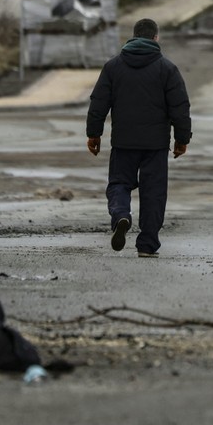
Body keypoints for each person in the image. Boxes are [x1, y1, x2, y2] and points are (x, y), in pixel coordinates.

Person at [86, 17, 192, 258]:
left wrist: (94, 134)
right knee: (153, 192)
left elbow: (98, 104)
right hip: (155, 145)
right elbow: (180, 107)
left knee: (119, 184)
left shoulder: (113, 67)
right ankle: (147, 243)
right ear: (155, 38)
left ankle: (121, 215)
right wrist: (182, 139)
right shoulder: (167, 69)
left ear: (134, 37)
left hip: (123, 142)